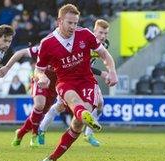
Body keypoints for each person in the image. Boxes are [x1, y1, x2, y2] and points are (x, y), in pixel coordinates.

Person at [33, 4, 117, 161]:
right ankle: (84, 115)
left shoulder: (85, 34)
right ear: (59, 21)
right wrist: (41, 77)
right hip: (65, 82)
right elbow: (38, 70)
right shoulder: (47, 43)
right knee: (73, 102)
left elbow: (104, 54)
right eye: (69, 23)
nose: (73, 27)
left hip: (87, 81)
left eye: (75, 23)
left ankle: (51, 159)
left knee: (77, 124)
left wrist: (112, 71)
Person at [0, 46, 107, 147]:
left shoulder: (70, 53)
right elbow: (20, 52)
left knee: (41, 113)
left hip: (55, 87)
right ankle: (35, 135)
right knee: (39, 105)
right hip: (40, 80)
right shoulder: (45, 47)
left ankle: (20, 133)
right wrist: (7, 67)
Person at [38, 19, 111, 147]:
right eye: (100, 32)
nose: (103, 36)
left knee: (99, 103)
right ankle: (42, 129)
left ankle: (88, 134)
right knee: (60, 107)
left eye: (105, 33)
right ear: (94, 31)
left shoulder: (104, 45)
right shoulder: (85, 40)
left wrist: (110, 71)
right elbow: (80, 64)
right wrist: (102, 73)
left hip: (86, 79)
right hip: (69, 78)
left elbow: (90, 64)